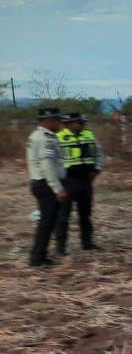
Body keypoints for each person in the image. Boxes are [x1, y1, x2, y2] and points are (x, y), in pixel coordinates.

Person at [55, 113, 102, 255]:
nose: (82, 125)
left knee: (85, 214)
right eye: (79, 123)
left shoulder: (89, 135)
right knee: (63, 216)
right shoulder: (58, 137)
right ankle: (61, 248)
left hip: (86, 180)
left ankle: (87, 243)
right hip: (67, 181)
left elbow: (98, 153)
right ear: (68, 123)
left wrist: (97, 168)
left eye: (83, 122)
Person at [27, 108, 67, 267]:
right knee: (47, 222)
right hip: (46, 184)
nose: (60, 123)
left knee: (47, 221)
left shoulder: (37, 136)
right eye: (57, 120)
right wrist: (58, 189)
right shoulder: (46, 139)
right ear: (47, 121)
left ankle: (39, 255)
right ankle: (37, 258)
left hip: (40, 183)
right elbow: (48, 166)